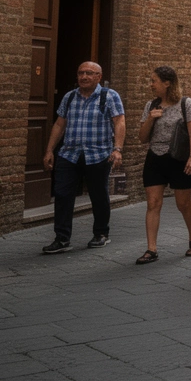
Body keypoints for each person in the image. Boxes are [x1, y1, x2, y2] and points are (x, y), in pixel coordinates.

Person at [41, 62, 126, 254]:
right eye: (81, 73)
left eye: (89, 73)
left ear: (98, 76)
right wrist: (49, 150)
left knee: (98, 195)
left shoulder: (109, 96)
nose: (84, 76)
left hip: (98, 154)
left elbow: (119, 121)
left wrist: (117, 149)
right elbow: (59, 125)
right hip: (69, 154)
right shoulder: (70, 97)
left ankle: (101, 233)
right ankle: (62, 238)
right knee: (62, 195)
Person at [135, 66, 191, 264]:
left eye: (154, 80)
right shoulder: (151, 105)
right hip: (155, 157)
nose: (151, 84)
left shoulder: (185, 103)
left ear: (167, 83)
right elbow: (142, 138)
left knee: (183, 204)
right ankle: (151, 249)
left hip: (180, 158)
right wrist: (150, 119)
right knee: (153, 204)